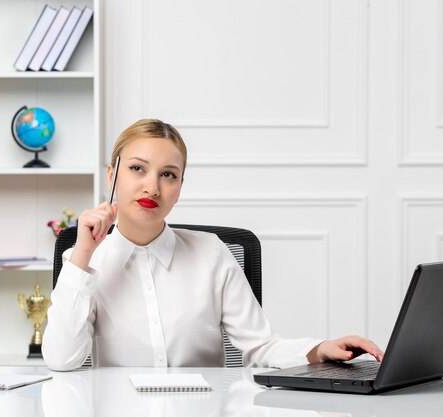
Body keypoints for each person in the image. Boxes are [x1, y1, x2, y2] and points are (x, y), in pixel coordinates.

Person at [42, 119, 383, 371]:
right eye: (137, 169)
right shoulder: (84, 262)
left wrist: (320, 349)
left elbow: (262, 346)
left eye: (168, 174)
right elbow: (62, 360)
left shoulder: (212, 252)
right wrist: (84, 254)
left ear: (180, 185)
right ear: (112, 176)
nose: (152, 187)